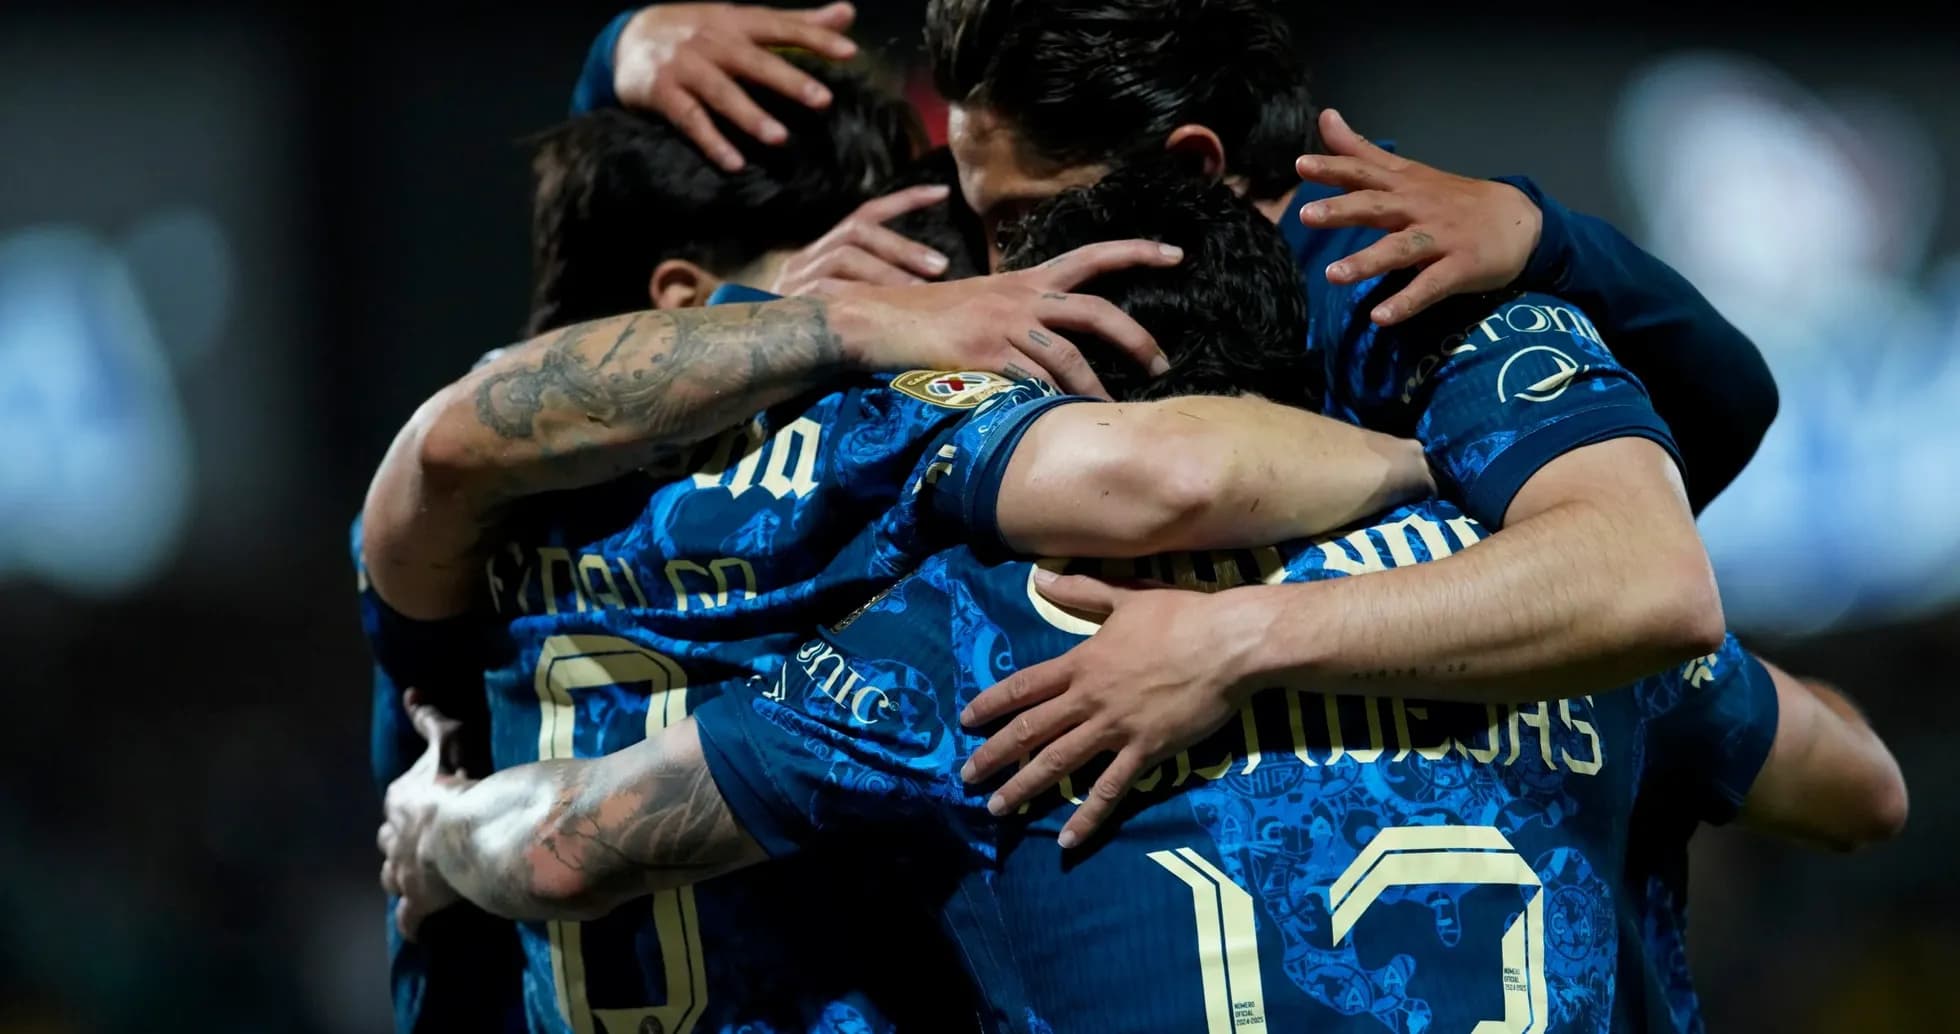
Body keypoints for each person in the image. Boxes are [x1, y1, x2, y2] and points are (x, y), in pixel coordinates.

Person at [379, 166, 1904, 1034]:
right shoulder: (1558, 611)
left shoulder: (991, 627)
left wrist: (442, 827)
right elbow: (1861, 787)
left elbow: (574, 844)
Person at [364, 86, 1437, 1033]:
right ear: (691, 298)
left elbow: (450, 445)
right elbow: (1171, 472)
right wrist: (1447, 463)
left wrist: (442, 833)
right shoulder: (877, 455)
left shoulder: (468, 499)